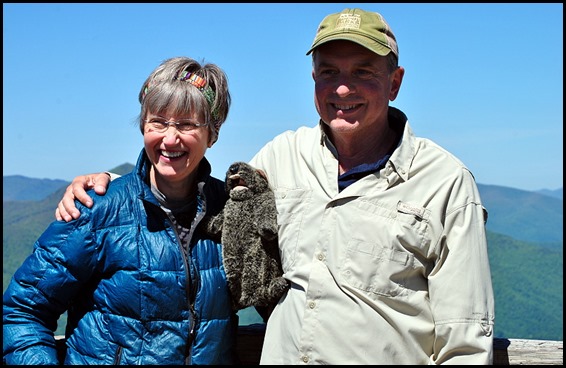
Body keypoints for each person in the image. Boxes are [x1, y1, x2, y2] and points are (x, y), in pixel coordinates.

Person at [51, 8, 496, 365]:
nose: (343, 87)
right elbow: (200, 190)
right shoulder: (281, 157)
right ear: (314, 80)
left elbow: (465, 338)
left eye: (363, 71)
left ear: (395, 82)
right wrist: (117, 186)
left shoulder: (445, 183)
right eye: (328, 72)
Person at [3, 56, 239, 365]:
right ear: (143, 124)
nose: (170, 138)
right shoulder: (97, 210)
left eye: (187, 124)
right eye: (159, 122)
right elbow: (21, 312)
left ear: (213, 133)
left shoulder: (233, 213)